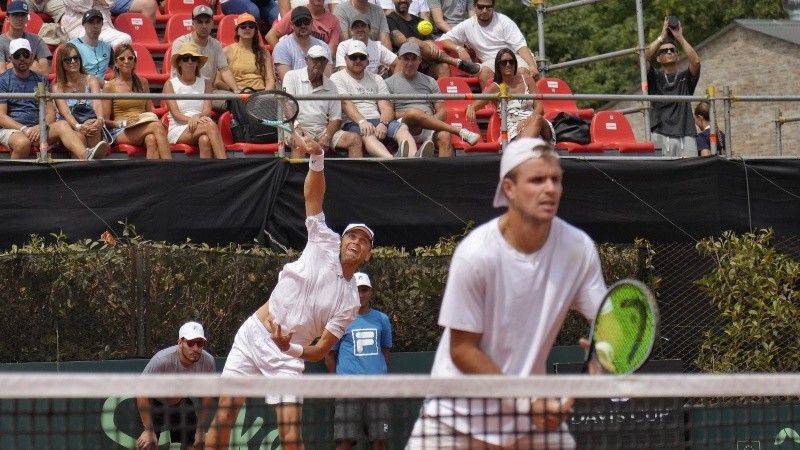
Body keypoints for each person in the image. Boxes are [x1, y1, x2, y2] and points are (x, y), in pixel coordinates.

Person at [405, 137, 607, 450]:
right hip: (455, 416)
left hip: (528, 422)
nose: (550, 189)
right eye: (537, 180)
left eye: (556, 179)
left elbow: (608, 322)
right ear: (509, 189)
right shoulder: (476, 254)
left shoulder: (577, 249)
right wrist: (526, 401)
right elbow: (462, 350)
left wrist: (606, 357)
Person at [204, 140, 374, 450]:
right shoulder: (324, 240)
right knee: (225, 416)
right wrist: (318, 157)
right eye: (352, 235)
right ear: (341, 240)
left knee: (292, 438)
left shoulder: (350, 301)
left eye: (364, 241)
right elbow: (313, 195)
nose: (356, 241)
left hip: (288, 355)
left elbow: (322, 349)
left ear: (367, 255)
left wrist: (291, 349)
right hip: (254, 334)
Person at [0, 38, 106, 159]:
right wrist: (24, 129)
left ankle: (86, 156)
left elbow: (50, 112)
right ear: (10, 58)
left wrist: (41, 126)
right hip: (13, 129)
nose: (22, 58)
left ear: (32, 56)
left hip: (38, 128)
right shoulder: (2, 80)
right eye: (17, 55)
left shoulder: (41, 80)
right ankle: (14, 177)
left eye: (25, 54)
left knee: (63, 125)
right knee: (22, 143)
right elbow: (1, 117)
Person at [325, 272, 393, 450]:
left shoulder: (382, 319)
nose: (361, 295)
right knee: (344, 441)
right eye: (357, 290)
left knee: (379, 440)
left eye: (364, 290)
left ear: (370, 292)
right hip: (348, 390)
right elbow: (329, 355)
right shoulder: (340, 319)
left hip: (377, 389)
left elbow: (385, 352)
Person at [386, 42, 481, 157]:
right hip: (403, 127)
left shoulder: (430, 81)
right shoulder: (389, 83)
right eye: (406, 59)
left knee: (445, 136)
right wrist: (415, 114)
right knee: (412, 113)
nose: (410, 63)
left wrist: (430, 119)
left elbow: (442, 112)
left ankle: (443, 173)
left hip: (428, 125)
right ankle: (459, 132)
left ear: (420, 60)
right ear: (399, 59)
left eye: (413, 59)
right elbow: (389, 114)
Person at [330, 40, 419, 158]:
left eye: (361, 57)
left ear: (367, 61)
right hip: (351, 123)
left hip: (377, 120)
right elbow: (345, 103)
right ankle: (391, 160)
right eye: (353, 57)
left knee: (402, 127)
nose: (357, 61)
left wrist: (383, 123)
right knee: (367, 133)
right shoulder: (337, 78)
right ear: (346, 59)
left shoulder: (376, 78)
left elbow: (386, 106)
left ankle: (414, 157)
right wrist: (362, 122)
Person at [136, 321, 215, 450]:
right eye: (190, 343)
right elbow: (141, 391)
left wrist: (200, 429)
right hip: (154, 403)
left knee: (197, 443)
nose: (195, 348)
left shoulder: (208, 362)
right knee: (148, 444)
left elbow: (207, 397)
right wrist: (148, 430)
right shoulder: (161, 360)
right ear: (180, 342)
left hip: (180, 402)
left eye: (200, 343)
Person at [283, 45, 363, 158]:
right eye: (315, 59)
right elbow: (287, 105)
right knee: (299, 142)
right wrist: (296, 128)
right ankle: (298, 175)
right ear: (307, 60)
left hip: (321, 130)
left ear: (326, 63)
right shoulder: (291, 76)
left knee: (355, 139)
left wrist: (327, 136)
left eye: (322, 60)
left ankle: (356, 176)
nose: (319, 63)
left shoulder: (331, 85)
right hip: (294, 126)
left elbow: (336, 118)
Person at [438, 0, 539, 88]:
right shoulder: (467, 25)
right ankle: (496, 108)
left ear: (494, 7)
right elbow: (444, 39)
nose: (484, 10)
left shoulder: (504, 21)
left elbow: (521, 46)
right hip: (491, 62)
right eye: (480, 7)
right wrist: (459, 49)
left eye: (488, 7)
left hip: (513, 57)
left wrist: (532, 65)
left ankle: (523, 108)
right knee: (484, 74)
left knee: (522, 72)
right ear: (474, 7)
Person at [467, 48, 554, 144]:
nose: (508, 65)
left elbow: (540, 107)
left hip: (535, 120)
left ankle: (522, 150)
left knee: (538, 119)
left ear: (515, 64)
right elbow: (476, 105)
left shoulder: (527, 79)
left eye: (511, 62)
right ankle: (527, 150)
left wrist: (528, 121)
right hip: (513, 129)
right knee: (535, 125)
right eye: (504, 63)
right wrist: (471, 108)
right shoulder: (495, 87)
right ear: (499, 66)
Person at [102, 43, 171, 159]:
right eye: (122, 58)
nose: (126, 61)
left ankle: (152, 176)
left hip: (142, 124)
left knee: (151, 140)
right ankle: (173, 171)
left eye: (130, 58)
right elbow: (104, 120)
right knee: (157, 127)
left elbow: (150, 112)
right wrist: (124, 123)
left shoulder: (143, 82)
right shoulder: (109, 86)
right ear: (116, 63)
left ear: (135, 61)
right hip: (120, 129)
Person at [644, 17, 701, 158]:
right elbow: (642, 58)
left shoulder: (685, 77)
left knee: (690, 174)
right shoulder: (655, 76)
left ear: (677, 55)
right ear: (658, 58)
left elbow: (696, 62)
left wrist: (679, 37)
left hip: (686, 133)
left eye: (672, 50)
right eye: (664, 51)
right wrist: (662, 36)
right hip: (660, 133)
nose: (669, 52)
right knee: (662, 176)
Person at [172, 5, 241, 112]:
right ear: (193, 23)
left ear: (212, 23)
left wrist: (236, 90)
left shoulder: (216, 44)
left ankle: (243, 128)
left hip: (210, 91)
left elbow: (224, 69)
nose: (204, 26)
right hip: (187, 91)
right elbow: (176, 73)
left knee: (238, 101)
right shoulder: (181, 43)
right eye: (200, 22)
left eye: (207, 22)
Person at [163, 42, 227, 159]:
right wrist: (193, 120)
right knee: (211, 126)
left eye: (193, 58)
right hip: (178, 128)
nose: (190, 62)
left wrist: (196, 118)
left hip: (200, 123)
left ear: (197, 62)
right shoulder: (170, 84)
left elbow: (207, 111)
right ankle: (225, 165)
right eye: (185, 58)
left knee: (204, 140)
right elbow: (176, 115)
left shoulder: (206, 84)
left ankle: (206, 176)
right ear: (179, 63)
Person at [386, 0, 479, 79]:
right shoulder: (390, 18)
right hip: (404, 63)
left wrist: (426, 51)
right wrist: (423, 49)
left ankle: (444, 100)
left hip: (424, 65)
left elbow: (431, 43)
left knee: (443, 67)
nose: (403, 0)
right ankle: (455, 62)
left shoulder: (420, 21)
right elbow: (401, 41)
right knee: (412, 42)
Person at [51, 43, 110, 154]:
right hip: (70, 126)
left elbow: (97, 102)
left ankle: (92, 163)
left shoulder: (91, 79)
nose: (73, 61)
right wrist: (78, 127)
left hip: (89, 120)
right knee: (80, 137)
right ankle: (87, 164)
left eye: (76, 58)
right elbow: (66, 113)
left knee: (94, 127)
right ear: (61, 64)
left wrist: (100, 120)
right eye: (68, 59)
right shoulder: (57, 87)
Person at [273, 6, 333, 82]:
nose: (303, 26)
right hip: (293, 92)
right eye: (298, 23)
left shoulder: (323, 46)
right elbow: (287, 82)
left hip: (319, 91)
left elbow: (328, 79)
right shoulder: (282, 47)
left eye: (306, 21)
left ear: (312, 22)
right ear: (292, 24)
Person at [265, 0, 340, 59]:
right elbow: (271, 36)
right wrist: (285, 56)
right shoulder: (296, 13)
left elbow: (331, 53)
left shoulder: (334, 21)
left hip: (319, 62)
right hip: (296, 62)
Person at [223, 13, 276, 92]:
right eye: (243, 26)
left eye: (251, 26)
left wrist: (265, 96)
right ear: (237, 31)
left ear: (255, 30)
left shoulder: (265, 53)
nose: (247, 28)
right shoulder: (227, 51)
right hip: (237, 94)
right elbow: (218, 81)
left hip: (260, 93)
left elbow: (270, 79)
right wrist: (234, 91)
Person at [0, 1, 51, 76]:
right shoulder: (1, 41)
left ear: (27, 19)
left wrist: (11, 65)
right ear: (7, 19)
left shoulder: (37, 40)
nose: (20, 18)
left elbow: (45, 74)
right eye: (15, 15)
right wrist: (31, 64)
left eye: (23, 15)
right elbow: (1, 74)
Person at [62, 1, 132, 48]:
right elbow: (79, 4)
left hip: (104, 26)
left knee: (126, 39)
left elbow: (110, 2)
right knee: (90, 41)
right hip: (80, 27)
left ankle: (107, 59)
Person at [67, 9, 113, 80]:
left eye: (98, 22)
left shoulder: (108, 47)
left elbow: (116, 69)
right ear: (84, 24)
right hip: (81, 86)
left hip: (103, 88)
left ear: (102, 25)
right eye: (91, 22)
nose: (95, 26)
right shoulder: (73, 46)